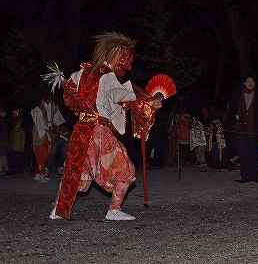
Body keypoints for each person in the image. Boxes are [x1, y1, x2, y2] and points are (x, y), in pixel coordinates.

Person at [49, 31, 162, 221]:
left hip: (81, 129)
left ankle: (57, 210)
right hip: (98, 131)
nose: (128, 65)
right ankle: (114, 210)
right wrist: (147, 99)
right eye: (126, 59)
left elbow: (68, 91)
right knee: (125, 169)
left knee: (78, 173)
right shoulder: (107, 76)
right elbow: (117, 94)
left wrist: (81, 107)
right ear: (116, 55)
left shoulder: (81, 73)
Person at [225, 73, 258, 183]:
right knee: (243, 151)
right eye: (248, 81)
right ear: (244, 83)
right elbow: (231, 111)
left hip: (255, 127)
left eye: (252, 81)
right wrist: (232, 124)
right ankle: (245, 175)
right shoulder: (238, 95)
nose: (250, 83)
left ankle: (254, 175)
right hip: (241, 127)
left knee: (254, 152)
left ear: (255, 83)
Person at [30, 91, 66, 182]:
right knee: (41, 153)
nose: (49, 99)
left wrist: (58, 131)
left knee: (47, 154)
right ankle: (40, 174)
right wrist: (50, 133)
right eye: (48, 96)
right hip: (40, 133)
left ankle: (39, 174)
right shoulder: (37, 108)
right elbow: (40, 123)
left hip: (49, 132)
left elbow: (56, 119)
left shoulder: (53, 105)